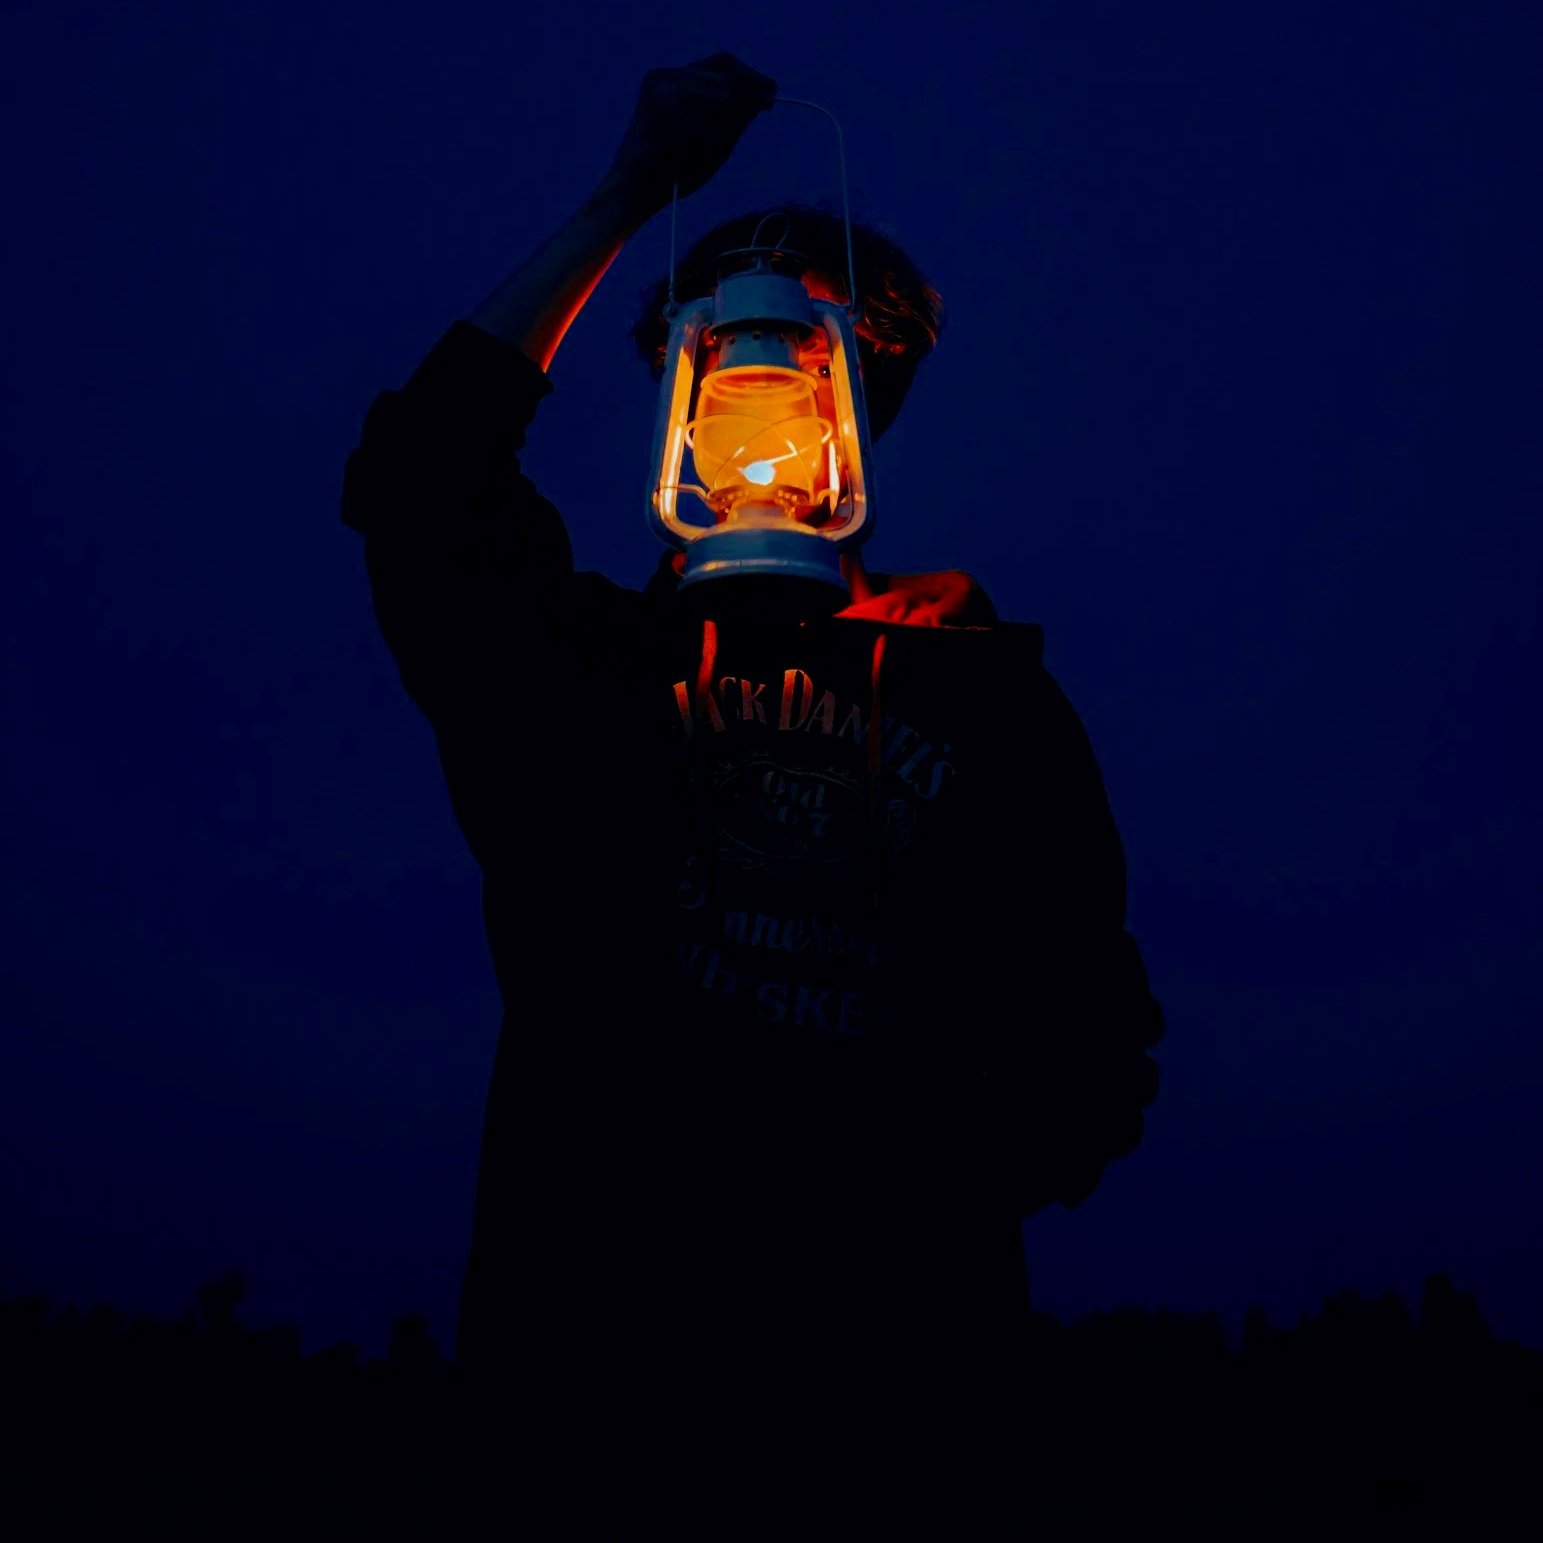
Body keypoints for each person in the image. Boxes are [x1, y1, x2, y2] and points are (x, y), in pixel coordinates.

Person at [342, 52, 1163, 1505]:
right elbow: (424, 480)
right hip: (585, 1399)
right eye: (725, 349)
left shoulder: (993, 707)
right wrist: (626, 198)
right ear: (676, 377)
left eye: (807, 349)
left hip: (902, 1414)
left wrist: (911, 1187)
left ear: (867, 390)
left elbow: (1093, 1046)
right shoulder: (582, 673)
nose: (762, 380)